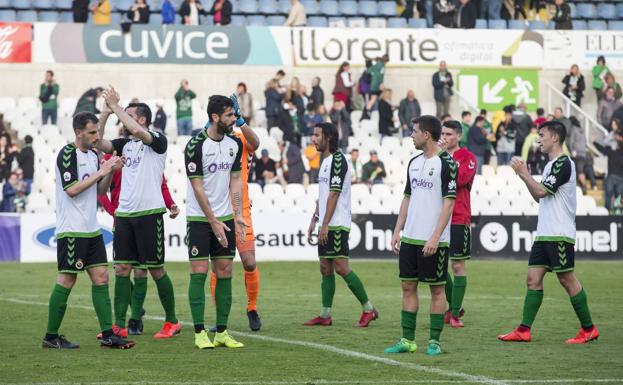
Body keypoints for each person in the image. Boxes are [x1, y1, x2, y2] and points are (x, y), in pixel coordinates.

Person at [499, 121, 599, 344]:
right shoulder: (550, 165)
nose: (539, 139)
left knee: (567, 279)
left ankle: (589, 328)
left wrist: (524, 173)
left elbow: (542, 192)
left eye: (542, 135)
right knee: (533, 279)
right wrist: (524, 176)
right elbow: (538, 195)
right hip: (545, 233)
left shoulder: (563, 163)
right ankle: (524, 330)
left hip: (559, 233)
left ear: (555, 137)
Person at [42, 112, 132, 349]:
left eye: (97, 132)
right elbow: (72, 190)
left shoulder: (93, 155)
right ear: (78, 132)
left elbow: (100, 191)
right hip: (72, 230)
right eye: (92, 132)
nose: (96, 137)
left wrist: (110, 169)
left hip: (91, 230)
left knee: (101, 277)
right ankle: (51, 336)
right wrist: (101, 172)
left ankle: (107, 334)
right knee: (67, 279)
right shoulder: (67, 153)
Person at [96, 87, 180, 340]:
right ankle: (119, 325)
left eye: (129, 114)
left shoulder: (157, 140)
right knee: (122, 269)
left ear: (141, 119)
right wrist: (105, 114)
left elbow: (136, 130)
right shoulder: (124, 145)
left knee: (156, 270)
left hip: (149, 214)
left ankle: (172, 321)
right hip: (124, 215)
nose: (123, 118)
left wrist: (117, 107)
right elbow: (97, 142)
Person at [385, 115, 457, 356]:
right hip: (411, 238)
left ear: (426, 134)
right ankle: (407, 340)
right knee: (407, 286)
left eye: (414, 131)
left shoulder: (447, 163)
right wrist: (398, 230)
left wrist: (435, 237)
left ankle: (434, 341)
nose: (411, 135)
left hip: (433, 239)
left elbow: (449, 204)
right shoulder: (414, 162)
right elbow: (407, 197)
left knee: (437, 290)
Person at [184, 95, 246, 349]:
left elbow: (235, 180)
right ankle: (200, 333)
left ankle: (221, 332)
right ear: (215, 117)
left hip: (225, 218)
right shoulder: (195, 145)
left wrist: (238, 213)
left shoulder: (234, 144)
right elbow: (197, 188)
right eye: (230, 115)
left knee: (225, 272)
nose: (234, 119)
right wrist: (213, 221)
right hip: (200, 219)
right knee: (199, 273)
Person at [304, 122, 377, 327]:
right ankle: (325, 315)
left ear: (328, 137)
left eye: (317, 135)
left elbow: (335, 194)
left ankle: (368, 309)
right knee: (325, 267)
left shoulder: (338, 160)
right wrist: (315, 219)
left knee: (341, 267)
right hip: (326, 222)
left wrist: (325, 224)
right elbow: (324, 195)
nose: (313, 138)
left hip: (337, 223)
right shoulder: (325, 160)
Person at [205, 95, 263, 333]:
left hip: (242, 209)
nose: (230, 118)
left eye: (232, 114)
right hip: (218, 210)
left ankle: (252, 307)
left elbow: (256, 143)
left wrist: (241, 121)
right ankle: (221, 318)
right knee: (219, 266)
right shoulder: (210, 140)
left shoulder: (240, 138)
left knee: (249, 262)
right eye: (228, 114)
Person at [439, 120, 476, 328]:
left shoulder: (468, 158)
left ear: (459, 136)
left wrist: (443, 156)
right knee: (436, 265)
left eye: (449, 134)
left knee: (457, 265)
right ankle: (456, 306)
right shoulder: (435, 156)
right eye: (443, 133)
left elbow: (459, 180)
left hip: (458, 216)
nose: (444, 137)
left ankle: (454, 314)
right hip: (438, 218)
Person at [594, 130, 623, 212]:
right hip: (621, 180)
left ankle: (607, 212)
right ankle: (618, 213)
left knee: (608, 197)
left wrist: (594, 142)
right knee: (618, 198)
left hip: (611, 177)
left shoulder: (612, 153)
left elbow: (602, 149)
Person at [362, 55, 389, 120]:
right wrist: (381, 83)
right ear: (386, 61)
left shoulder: (376, 65)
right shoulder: (382, 66)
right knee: (378, 98)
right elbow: (380, 76)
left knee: (373, 99)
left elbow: (368, 71)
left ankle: (367, 111)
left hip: (372, 84)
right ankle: (372, 111)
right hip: (377, 85)